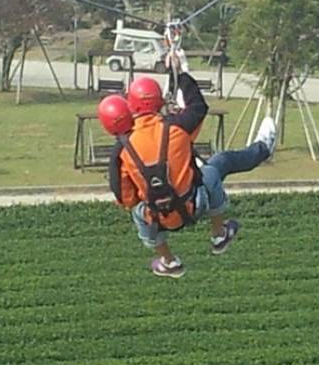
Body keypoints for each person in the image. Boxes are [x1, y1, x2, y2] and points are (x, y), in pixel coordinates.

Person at [99, 68, 276, 279]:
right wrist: (180, 74)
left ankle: (168, 260)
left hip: (160, 219)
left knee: (138, 212)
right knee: (214, 168)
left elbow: (125, 198)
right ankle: (219, 234)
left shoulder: (121, 152)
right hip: (196, 204)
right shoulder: (175, 127)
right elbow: (198, 107)